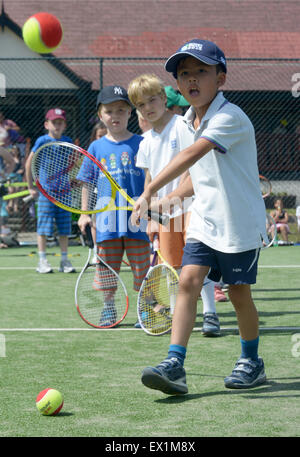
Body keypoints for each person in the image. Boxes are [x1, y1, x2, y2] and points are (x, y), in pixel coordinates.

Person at [132, 39, 268, 394]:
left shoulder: (229, 117)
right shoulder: (190, 119)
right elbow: (197, 176)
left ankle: (251, 361)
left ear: (220, 79)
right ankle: (175, 363)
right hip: (205, 221)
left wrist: (149, 192)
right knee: (188, 281)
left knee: (238, 293)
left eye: (201, 72)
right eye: (184, 74)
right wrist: (171, 199)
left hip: (239, 223)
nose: (191, 79)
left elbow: (194, 154)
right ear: (177, 84)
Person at [128, 73, 221, 336]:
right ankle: (172, 312)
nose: (148, 107)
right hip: (163, 214)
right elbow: (149, 180)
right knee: (172, 266)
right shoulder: (145, 141)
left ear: (164, 99)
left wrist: (175, 198)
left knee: (197, 262)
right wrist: (149, 215)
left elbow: (192, 165)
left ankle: (210, 314)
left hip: (192, 207)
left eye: (153, 100)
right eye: (142, 105)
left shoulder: (182, 125)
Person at [77, 85, 151, 327]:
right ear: (100, 115)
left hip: (137, 219)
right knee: (107, 268)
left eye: (121, 110)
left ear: (130, 113)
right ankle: (109, 308)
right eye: (109, 111)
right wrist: (85, 214)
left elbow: (154, 178)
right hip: (107, 220)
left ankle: (143, 309)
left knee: (142, 267)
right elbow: (87, 182)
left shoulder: (142, 143)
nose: (115, 115)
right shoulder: (96, 147)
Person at [25, 108, 76, 274]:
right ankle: (42, 261)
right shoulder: (41, 141)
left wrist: (73, 181)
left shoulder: (68, 141)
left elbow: (74, 164)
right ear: (47, 124)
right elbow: (28, 164)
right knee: (43, 229)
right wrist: (31, 187)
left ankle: (64, 260)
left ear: (64, 125)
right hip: (46, 194)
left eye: (60, 122)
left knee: (64, 229)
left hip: (64, 194)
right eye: (54, 122)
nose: (57, 125)